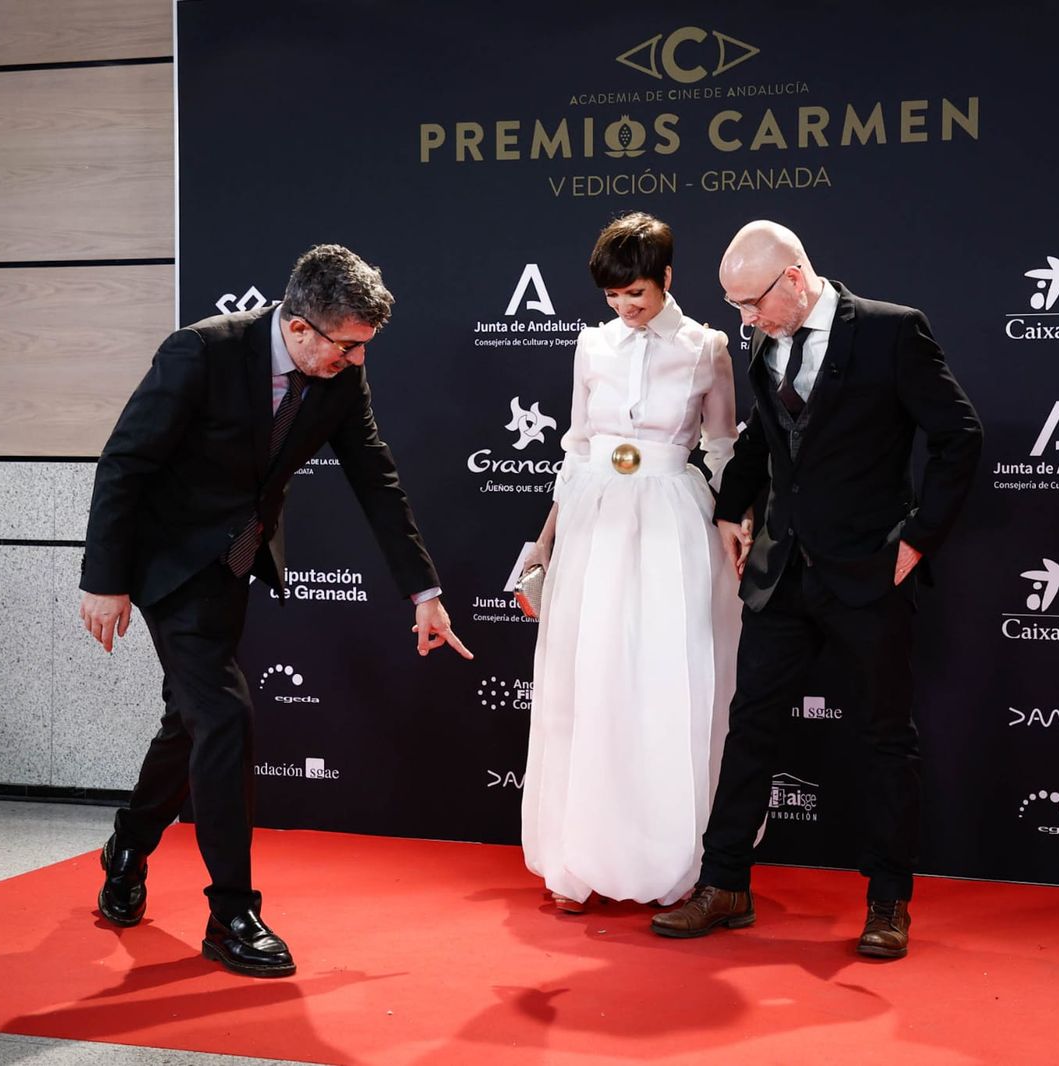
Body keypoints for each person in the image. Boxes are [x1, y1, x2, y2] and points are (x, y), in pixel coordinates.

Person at [79, 243, 472, 978]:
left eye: (364, 348)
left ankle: (128, 842)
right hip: (167, 567)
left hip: (233, 565)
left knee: (190, 719)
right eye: (348, 347)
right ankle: (232, 913)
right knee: (225, 716)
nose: (356, 362)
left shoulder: (340, 373)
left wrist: (425, 592)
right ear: (299, 329)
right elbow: (125, 462)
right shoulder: (198, 354)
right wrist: (104, 580)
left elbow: (375, 477)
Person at [650, 220, 982, 959]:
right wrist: (733, 508)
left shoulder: (893, 333)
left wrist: (918, 539)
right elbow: (767, 444)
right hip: (783, 575)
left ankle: (889, 901)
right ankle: (726, 883)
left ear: (794, 278)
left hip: (869, 572)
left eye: (750, 303)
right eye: (734, 307)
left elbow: (960, 438)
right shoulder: (769, 339)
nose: (743, 321)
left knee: (885, 740)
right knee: (751, 728)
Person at [520, 212, 743, 913]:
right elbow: (578, 448)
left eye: (637, 294)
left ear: (667, 278)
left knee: (662, 685)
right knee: (587, 682)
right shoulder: (592, 347)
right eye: (614, 296)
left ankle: (671, 863)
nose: (625, 307)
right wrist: (545, 545)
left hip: (674, 524)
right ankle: (575, 858)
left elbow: (725, 447)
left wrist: (737, 525)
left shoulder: (708, 347)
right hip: (593, 520)